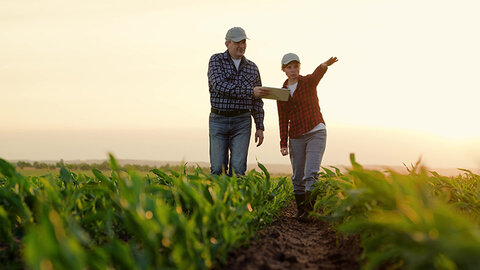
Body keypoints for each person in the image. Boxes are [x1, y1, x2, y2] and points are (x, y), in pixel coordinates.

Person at [276, 53, 338, 219]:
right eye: (289, 67)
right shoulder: (281, 93)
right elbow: (282, 119)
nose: (293, 70)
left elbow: (318, 73)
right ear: (284, 70)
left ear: (299, 67)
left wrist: (325, 64)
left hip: (315, 131)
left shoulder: (308, 82)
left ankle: (309, 212)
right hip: (296, 135)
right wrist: (283, 142)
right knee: (297, 176)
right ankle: (301, 210)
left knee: (310, 173)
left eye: (295, 66)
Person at [208, 27, 270, 176]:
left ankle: (236, 199)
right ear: (227, 44)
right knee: (217, 169)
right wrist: (250, 91)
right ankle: (219, 199)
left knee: (238, 170)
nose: (241, 46)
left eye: (243, 42)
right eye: (237, 42)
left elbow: (257, 101)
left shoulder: (253, 68)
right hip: (218, 120)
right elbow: (219, 86)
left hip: (242, 121)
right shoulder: (216, 60)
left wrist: (260, 126)